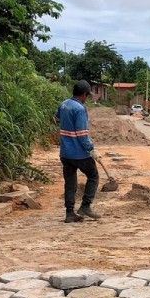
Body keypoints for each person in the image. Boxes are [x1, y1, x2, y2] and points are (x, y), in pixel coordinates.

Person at [54, 80, 101, 223]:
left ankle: (69, 213)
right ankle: (85, 206)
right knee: (93, 175)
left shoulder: (64, 104)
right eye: (87, 96)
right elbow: (82, 134)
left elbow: (56, 119)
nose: (87, 99)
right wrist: (91, 149)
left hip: (65, 153)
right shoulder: (80, 109)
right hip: (79, 153)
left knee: (70, 182)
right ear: (84, 95)